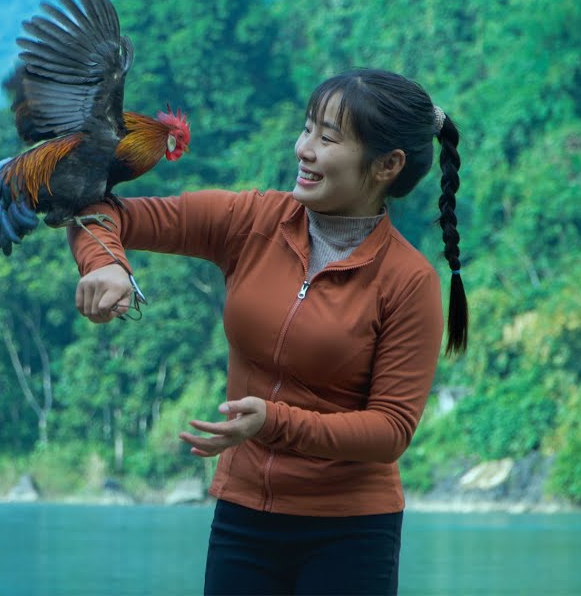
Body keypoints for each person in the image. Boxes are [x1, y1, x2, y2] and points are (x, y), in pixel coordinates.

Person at [69, 68, 467, 596]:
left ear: (387, 166)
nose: (304, 149)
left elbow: (389, 431)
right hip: (243, 520)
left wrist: (273, 422)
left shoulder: (408, 281)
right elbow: (94, 209)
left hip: (350, 533)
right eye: (306, 129)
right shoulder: (250, 220)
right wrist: (105, 263)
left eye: (327, 138)